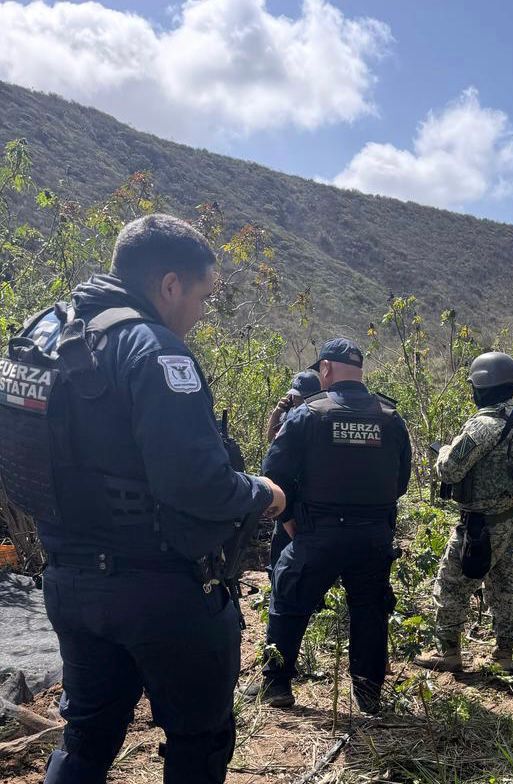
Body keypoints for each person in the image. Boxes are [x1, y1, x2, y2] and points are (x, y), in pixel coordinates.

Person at [0, 213, 286, 784]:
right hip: (160, 589)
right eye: (202, 296)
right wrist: (264, 493)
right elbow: (198, 484)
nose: (201, 314)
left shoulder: (43, 332)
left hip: (67, 578)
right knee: (198, 740)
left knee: (87, 733)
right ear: (171, 284)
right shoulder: (154, 350)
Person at [247, 338, 412, 714]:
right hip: (374, 535)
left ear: (325, 369)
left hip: (317, 533)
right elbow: (400, 482)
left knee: (288, 599)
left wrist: (289, 522)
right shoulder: (390, 417)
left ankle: (276, 686)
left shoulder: (309, 414)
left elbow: (274, 477)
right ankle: (369, 695)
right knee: (370, 610)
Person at [414, 352, 513, 674]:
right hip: (512, 517)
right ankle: (505, 654)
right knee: (507, 587)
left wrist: (442, 450)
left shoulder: (483, 425)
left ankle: (449, 653)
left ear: (482, 386)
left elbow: (449, 470)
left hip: (480, 525)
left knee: (451, 585)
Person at [264, 370, 322, 575]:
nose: (296, 401)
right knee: (281, 541)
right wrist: (276, 414)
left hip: (309, 495)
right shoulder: (291, 416)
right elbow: (272, 441)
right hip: (289, 492)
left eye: (300, 398)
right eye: (294, 398)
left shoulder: (318, 417)